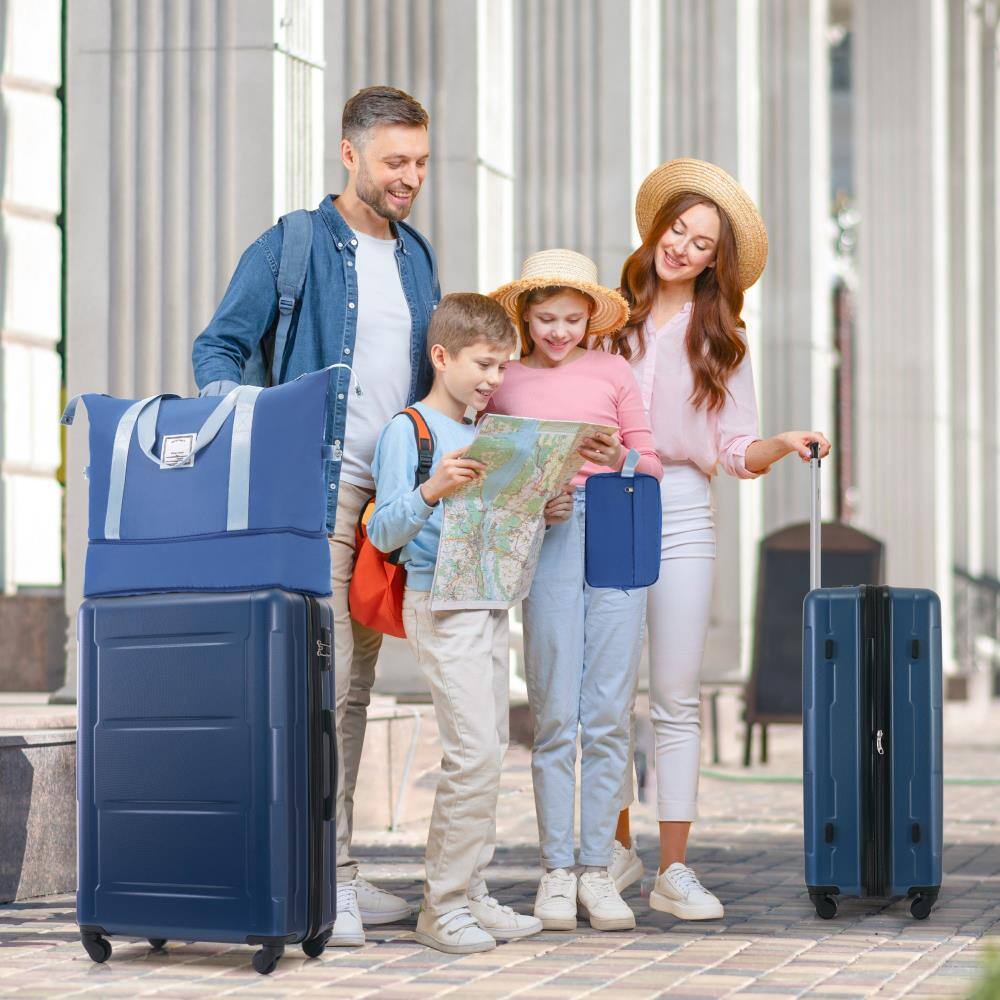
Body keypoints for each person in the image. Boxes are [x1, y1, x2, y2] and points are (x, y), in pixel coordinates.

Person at [191, 85, 439, 946]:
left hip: (387, 504)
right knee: (320, 689)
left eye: (418, 163)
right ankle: (313, 877)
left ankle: (337, 866)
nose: (408, 178)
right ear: (349, 154)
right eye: (393, 162)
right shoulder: (293, 244)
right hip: (314, 492)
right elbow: (216, 346)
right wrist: (259, 426)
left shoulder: (416, 257)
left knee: (358, 690)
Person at [607, 158, 831, 919]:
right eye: (679, 229)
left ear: (714, 262)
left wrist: (782, 441)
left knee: (673, 694)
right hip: (604, 501)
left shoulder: (724, 343)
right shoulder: (607, 317)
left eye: (702, 242)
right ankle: (614, 852)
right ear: (659, 228)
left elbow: (736, 453)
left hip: (682, 506)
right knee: (605, 693)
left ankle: (674, 870)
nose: (683, 246)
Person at [486, 250, 662, 932]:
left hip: (616, 526)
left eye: (571, 319)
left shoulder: (613, 370)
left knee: (610, 710)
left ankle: (598, 869)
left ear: (592, 317)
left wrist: (615, 457)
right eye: (545, 318)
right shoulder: (506, 380)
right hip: (548, 533)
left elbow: (652, 463)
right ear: (525, 318)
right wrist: (535, 496)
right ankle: (556, 871)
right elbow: (492, 469)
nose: (559, 331)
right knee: (556, 710)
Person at [367, 293, 542, 953]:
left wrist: (538, 508)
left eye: (503, 367)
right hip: (439, 600)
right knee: (472, 754)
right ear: (442, 357)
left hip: (490, 599)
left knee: (488, 752)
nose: (495, 379)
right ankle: (443, 908)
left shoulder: (484, 435)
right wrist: (432, 489)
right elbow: (384, 531)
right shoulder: (406, 431)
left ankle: (469, 892)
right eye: (485, 364)